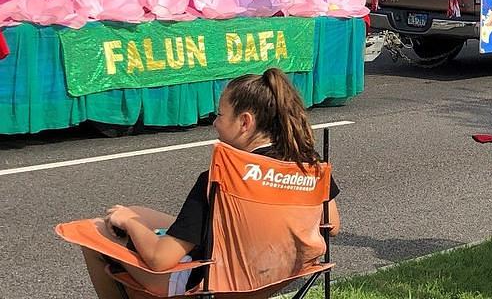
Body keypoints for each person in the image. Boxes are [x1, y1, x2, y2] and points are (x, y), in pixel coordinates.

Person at [81, 68, 340, 299]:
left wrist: (129, 223)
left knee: (92, 231)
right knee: (140, 211)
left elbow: (160, 260)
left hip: (213, 281)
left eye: (220, 114)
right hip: (273, 276)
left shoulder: (221, 178)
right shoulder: (310, 164)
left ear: (245, 122)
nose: (215, 123)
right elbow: (332, 225)